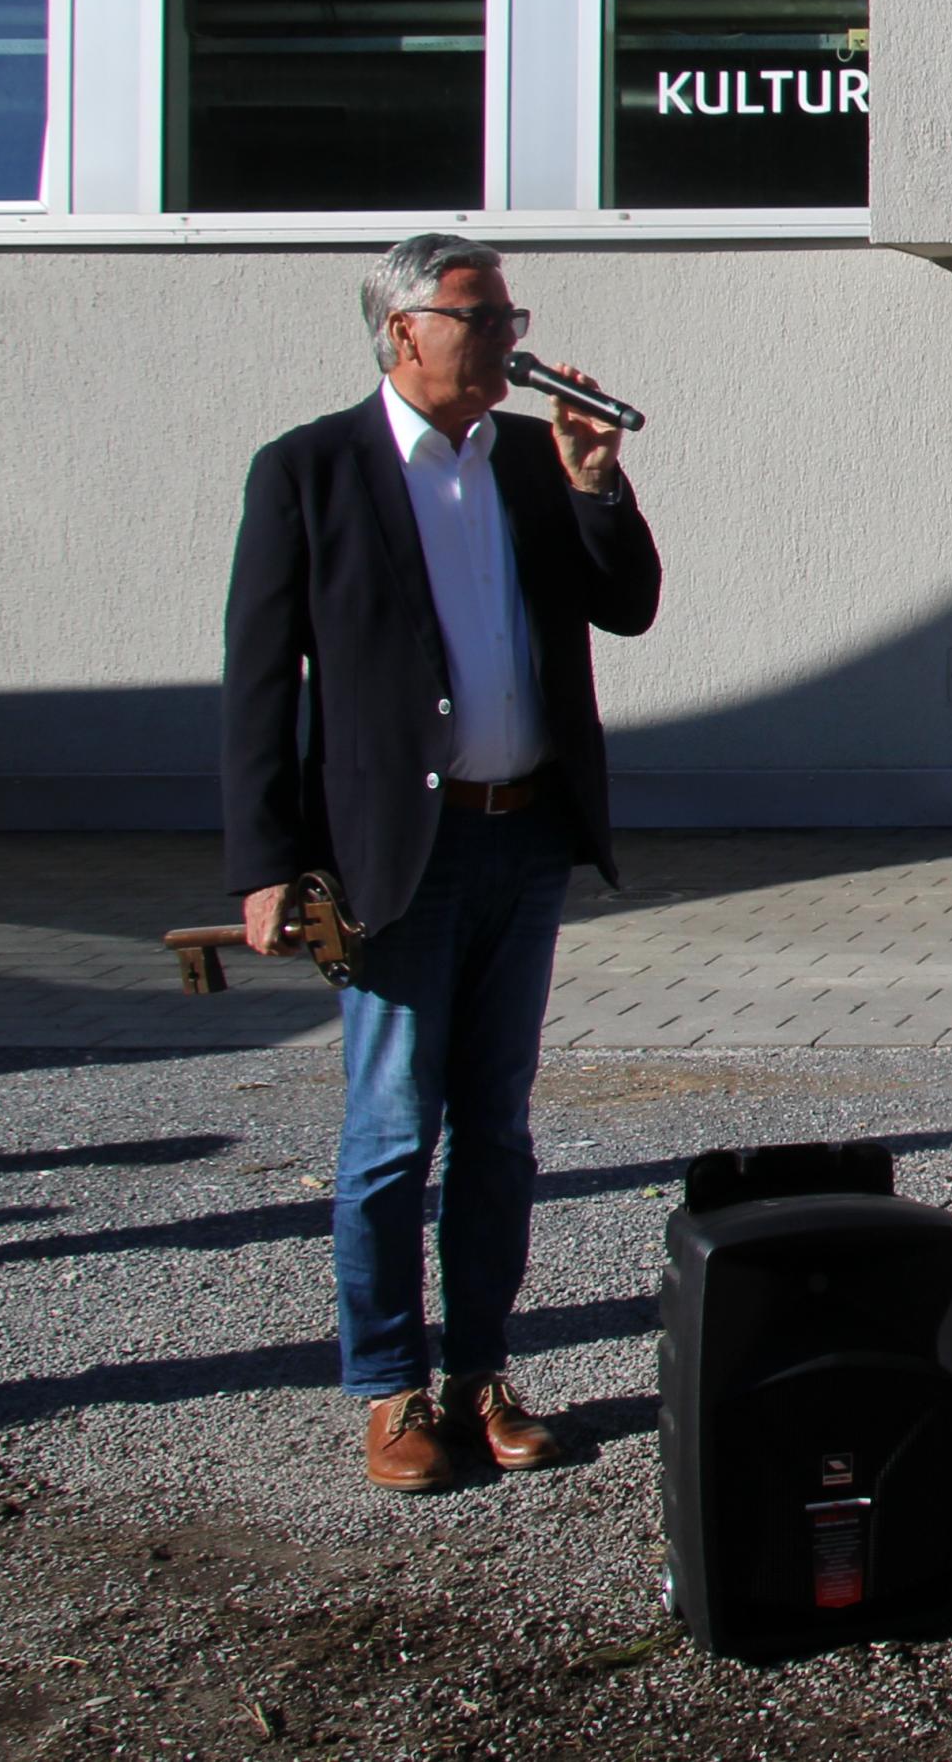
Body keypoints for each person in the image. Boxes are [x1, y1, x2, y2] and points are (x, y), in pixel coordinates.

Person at [221, 234, 661, 1493]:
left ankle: (480, 1373)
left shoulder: (529, 457)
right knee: (390, 1133)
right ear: (403, 328)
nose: (509, 337)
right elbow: (259, 677)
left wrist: (596, 486)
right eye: (482, 316)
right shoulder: (312, 469)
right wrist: (267, 861)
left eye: (512, 313)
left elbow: (627, 604)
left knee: (498, 1131)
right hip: (395, 851)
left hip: (524, 834)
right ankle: (388, 1388)